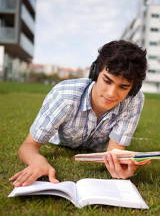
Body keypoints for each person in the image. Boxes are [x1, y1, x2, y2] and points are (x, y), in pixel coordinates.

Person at [9, 40, 150, 187]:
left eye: (123, 87)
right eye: (107, 81)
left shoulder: (134, 100)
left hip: (99, 147)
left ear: (133, 89)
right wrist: (37, 161)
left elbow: (114, 153)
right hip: (63, 142)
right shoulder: (64, 95)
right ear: (95, 73)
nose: (111, 93)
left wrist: (120, 167)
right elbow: (28, 146)